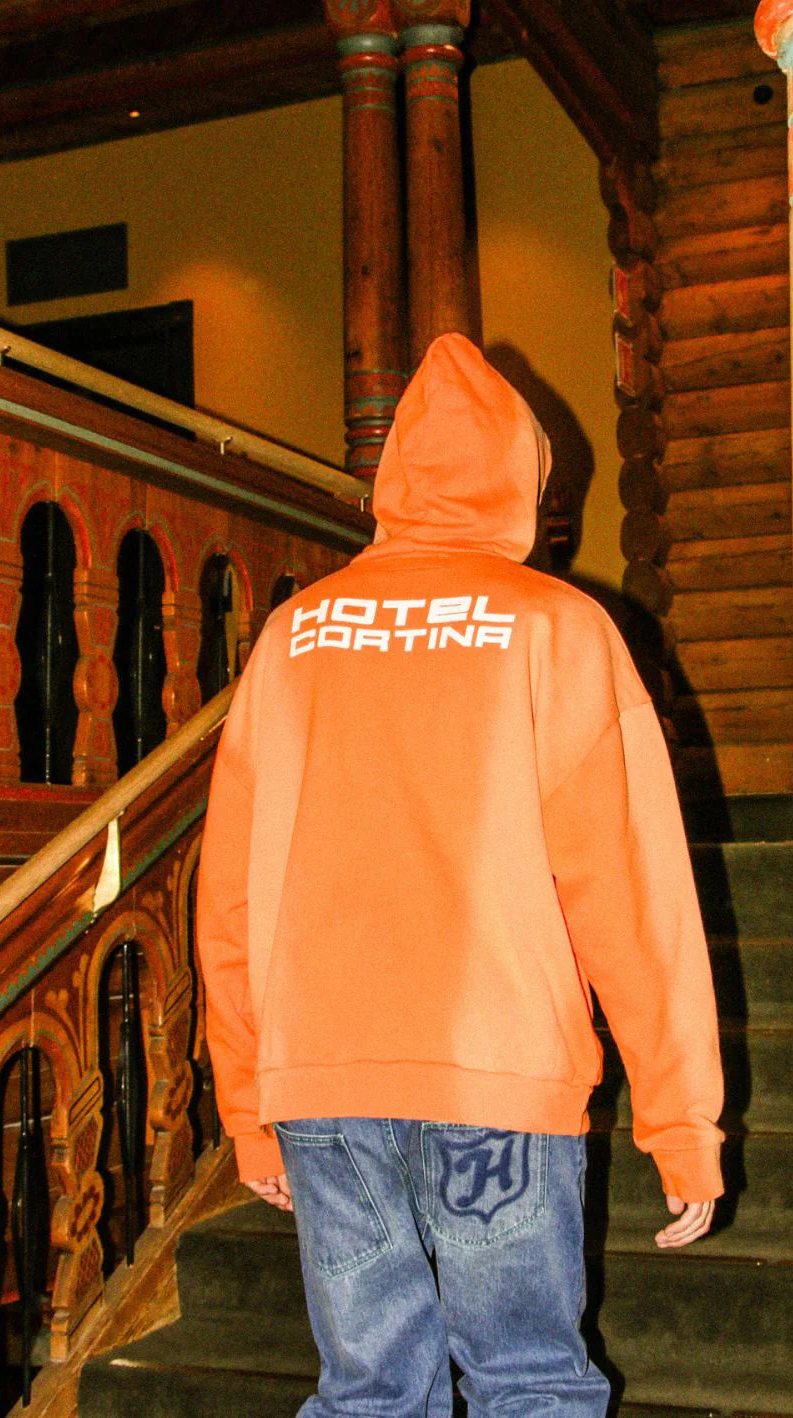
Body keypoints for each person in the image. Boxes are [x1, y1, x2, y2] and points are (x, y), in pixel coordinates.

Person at [196, 333, 724, 1417]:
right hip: (499, 1070)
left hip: (324, 1079)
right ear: (523, 476)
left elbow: (232, 898)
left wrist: (247, 1102)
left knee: (366, 1391)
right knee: (527, 1382)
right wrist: (680, 1121)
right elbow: (633, 898)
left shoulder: (293, 636)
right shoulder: (558, 629)